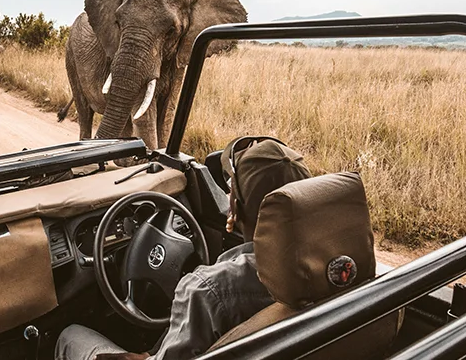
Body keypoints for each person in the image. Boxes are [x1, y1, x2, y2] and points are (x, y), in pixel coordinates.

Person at [55, 137, 312, 360]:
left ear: (235, 208)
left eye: (231, 189)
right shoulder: (335, 263)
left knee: (70, 336)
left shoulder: (209, 289)